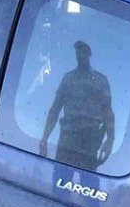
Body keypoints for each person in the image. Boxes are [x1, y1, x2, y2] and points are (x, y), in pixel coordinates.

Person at [41, 40, 115, 168]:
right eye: (78, 52)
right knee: (60, 176)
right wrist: (44, 139)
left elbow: (108, 113)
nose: (80, 55)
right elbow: (55, 110)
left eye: (83, 52)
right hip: (67, 138)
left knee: (88, 178)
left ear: (89, 54)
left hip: (90, 140)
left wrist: (110, 140)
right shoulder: (68, 79)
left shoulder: (100, 81)